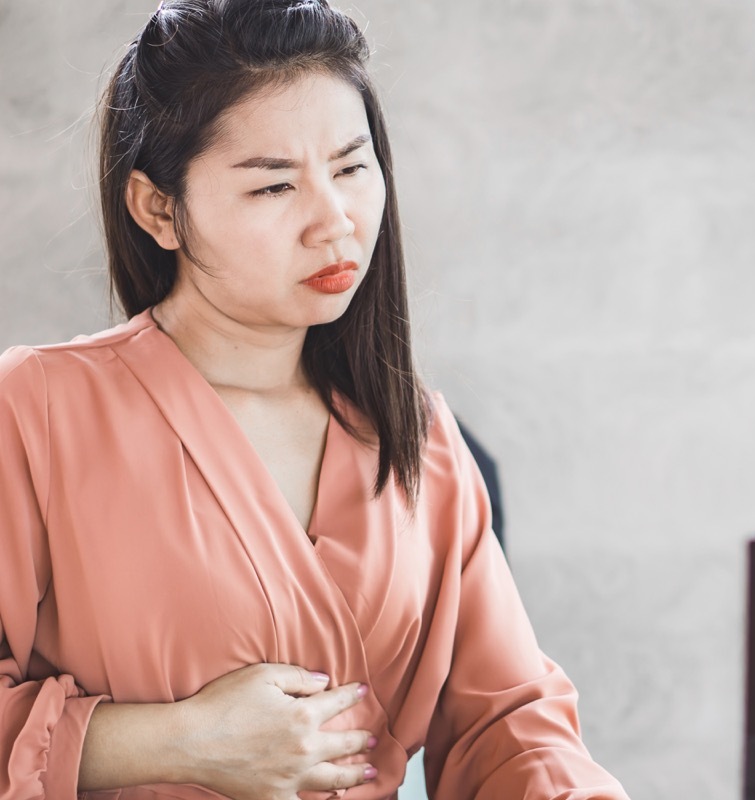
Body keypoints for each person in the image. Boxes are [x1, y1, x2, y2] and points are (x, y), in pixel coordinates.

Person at [0, 1, 629, 798]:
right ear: (160, 208)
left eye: (351, 167)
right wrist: (172, 742)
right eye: (273, 187)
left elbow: (505, 720)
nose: (335, 222)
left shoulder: (421, 434)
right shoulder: (39, 410)